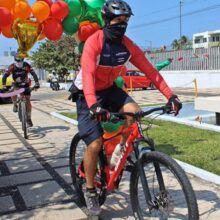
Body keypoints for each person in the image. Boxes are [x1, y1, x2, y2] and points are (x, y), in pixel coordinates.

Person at [73, 0, 182, 215]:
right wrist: (93, 105)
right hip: (87, 93)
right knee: (94, 144)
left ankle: (119, 155)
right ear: (106, 20)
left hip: (109, 88)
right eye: (117, 20)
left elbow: (152, 72)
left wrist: (171, 96)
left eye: (125, 20)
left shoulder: (127, 45)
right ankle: (90, 189)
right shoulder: (94, 42)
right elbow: (87, 75)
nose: (121, 24)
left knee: (134, 112)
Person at [2, 55, 40, 127]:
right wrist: (4, 85)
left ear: (23, 60)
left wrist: (37, 83)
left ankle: (28, 118)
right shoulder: (12, 66)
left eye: (21, 61)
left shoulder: (26, 65)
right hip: (16, 84)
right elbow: (5, 75)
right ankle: (15, 104)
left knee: (28, 100)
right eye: (17, 61)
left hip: (26, 84)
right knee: (13, 92)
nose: (19, 63)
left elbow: (34, 74)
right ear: (15, 61)